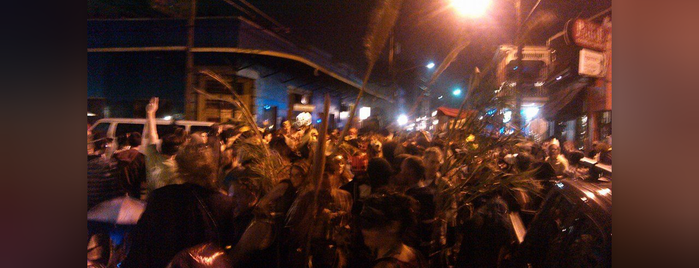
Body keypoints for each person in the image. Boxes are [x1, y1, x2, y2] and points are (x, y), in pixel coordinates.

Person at [121, 138, 235, 268]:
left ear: (181, 166)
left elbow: (142, 240)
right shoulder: (225, 204)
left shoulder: (162, 197)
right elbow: (227, 245)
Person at [360, 192, 426, 268]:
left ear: (393, 226)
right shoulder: (414, 254)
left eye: (370, 221)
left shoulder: (385, 266)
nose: (363, 229)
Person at [142, 97, 185, 197]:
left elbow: (152, 135)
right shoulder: (177, 170)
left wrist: (150, 113)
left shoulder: (153, 157)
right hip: (168, 207)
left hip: (151, 203)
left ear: (160, 148)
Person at [456, 196, 514, 268]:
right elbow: (504, 247)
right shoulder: (503, 228)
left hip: (468, 261)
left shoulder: (475, 221)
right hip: (488, 263)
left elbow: (463, 234)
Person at [112, 132, 146, 198]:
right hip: (135, 191)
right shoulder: (142, 158)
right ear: (141, 143)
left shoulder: (118, 155)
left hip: (119, 191)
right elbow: (144, 178)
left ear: (128, 142)